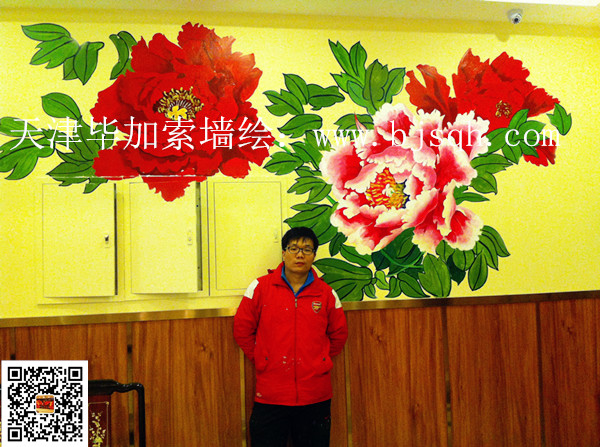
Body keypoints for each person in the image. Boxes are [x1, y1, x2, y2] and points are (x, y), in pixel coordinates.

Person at [234, 226, 348, 447]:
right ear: (284, 253)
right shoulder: (260, 287)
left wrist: (319, 361)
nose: (300, 254)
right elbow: (242, 329)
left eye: (307, 249)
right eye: (294, 248)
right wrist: (262, 358)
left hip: (315, 395)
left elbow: (339, 335)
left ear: (314, 255)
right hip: (271, 393)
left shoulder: (326, 293)